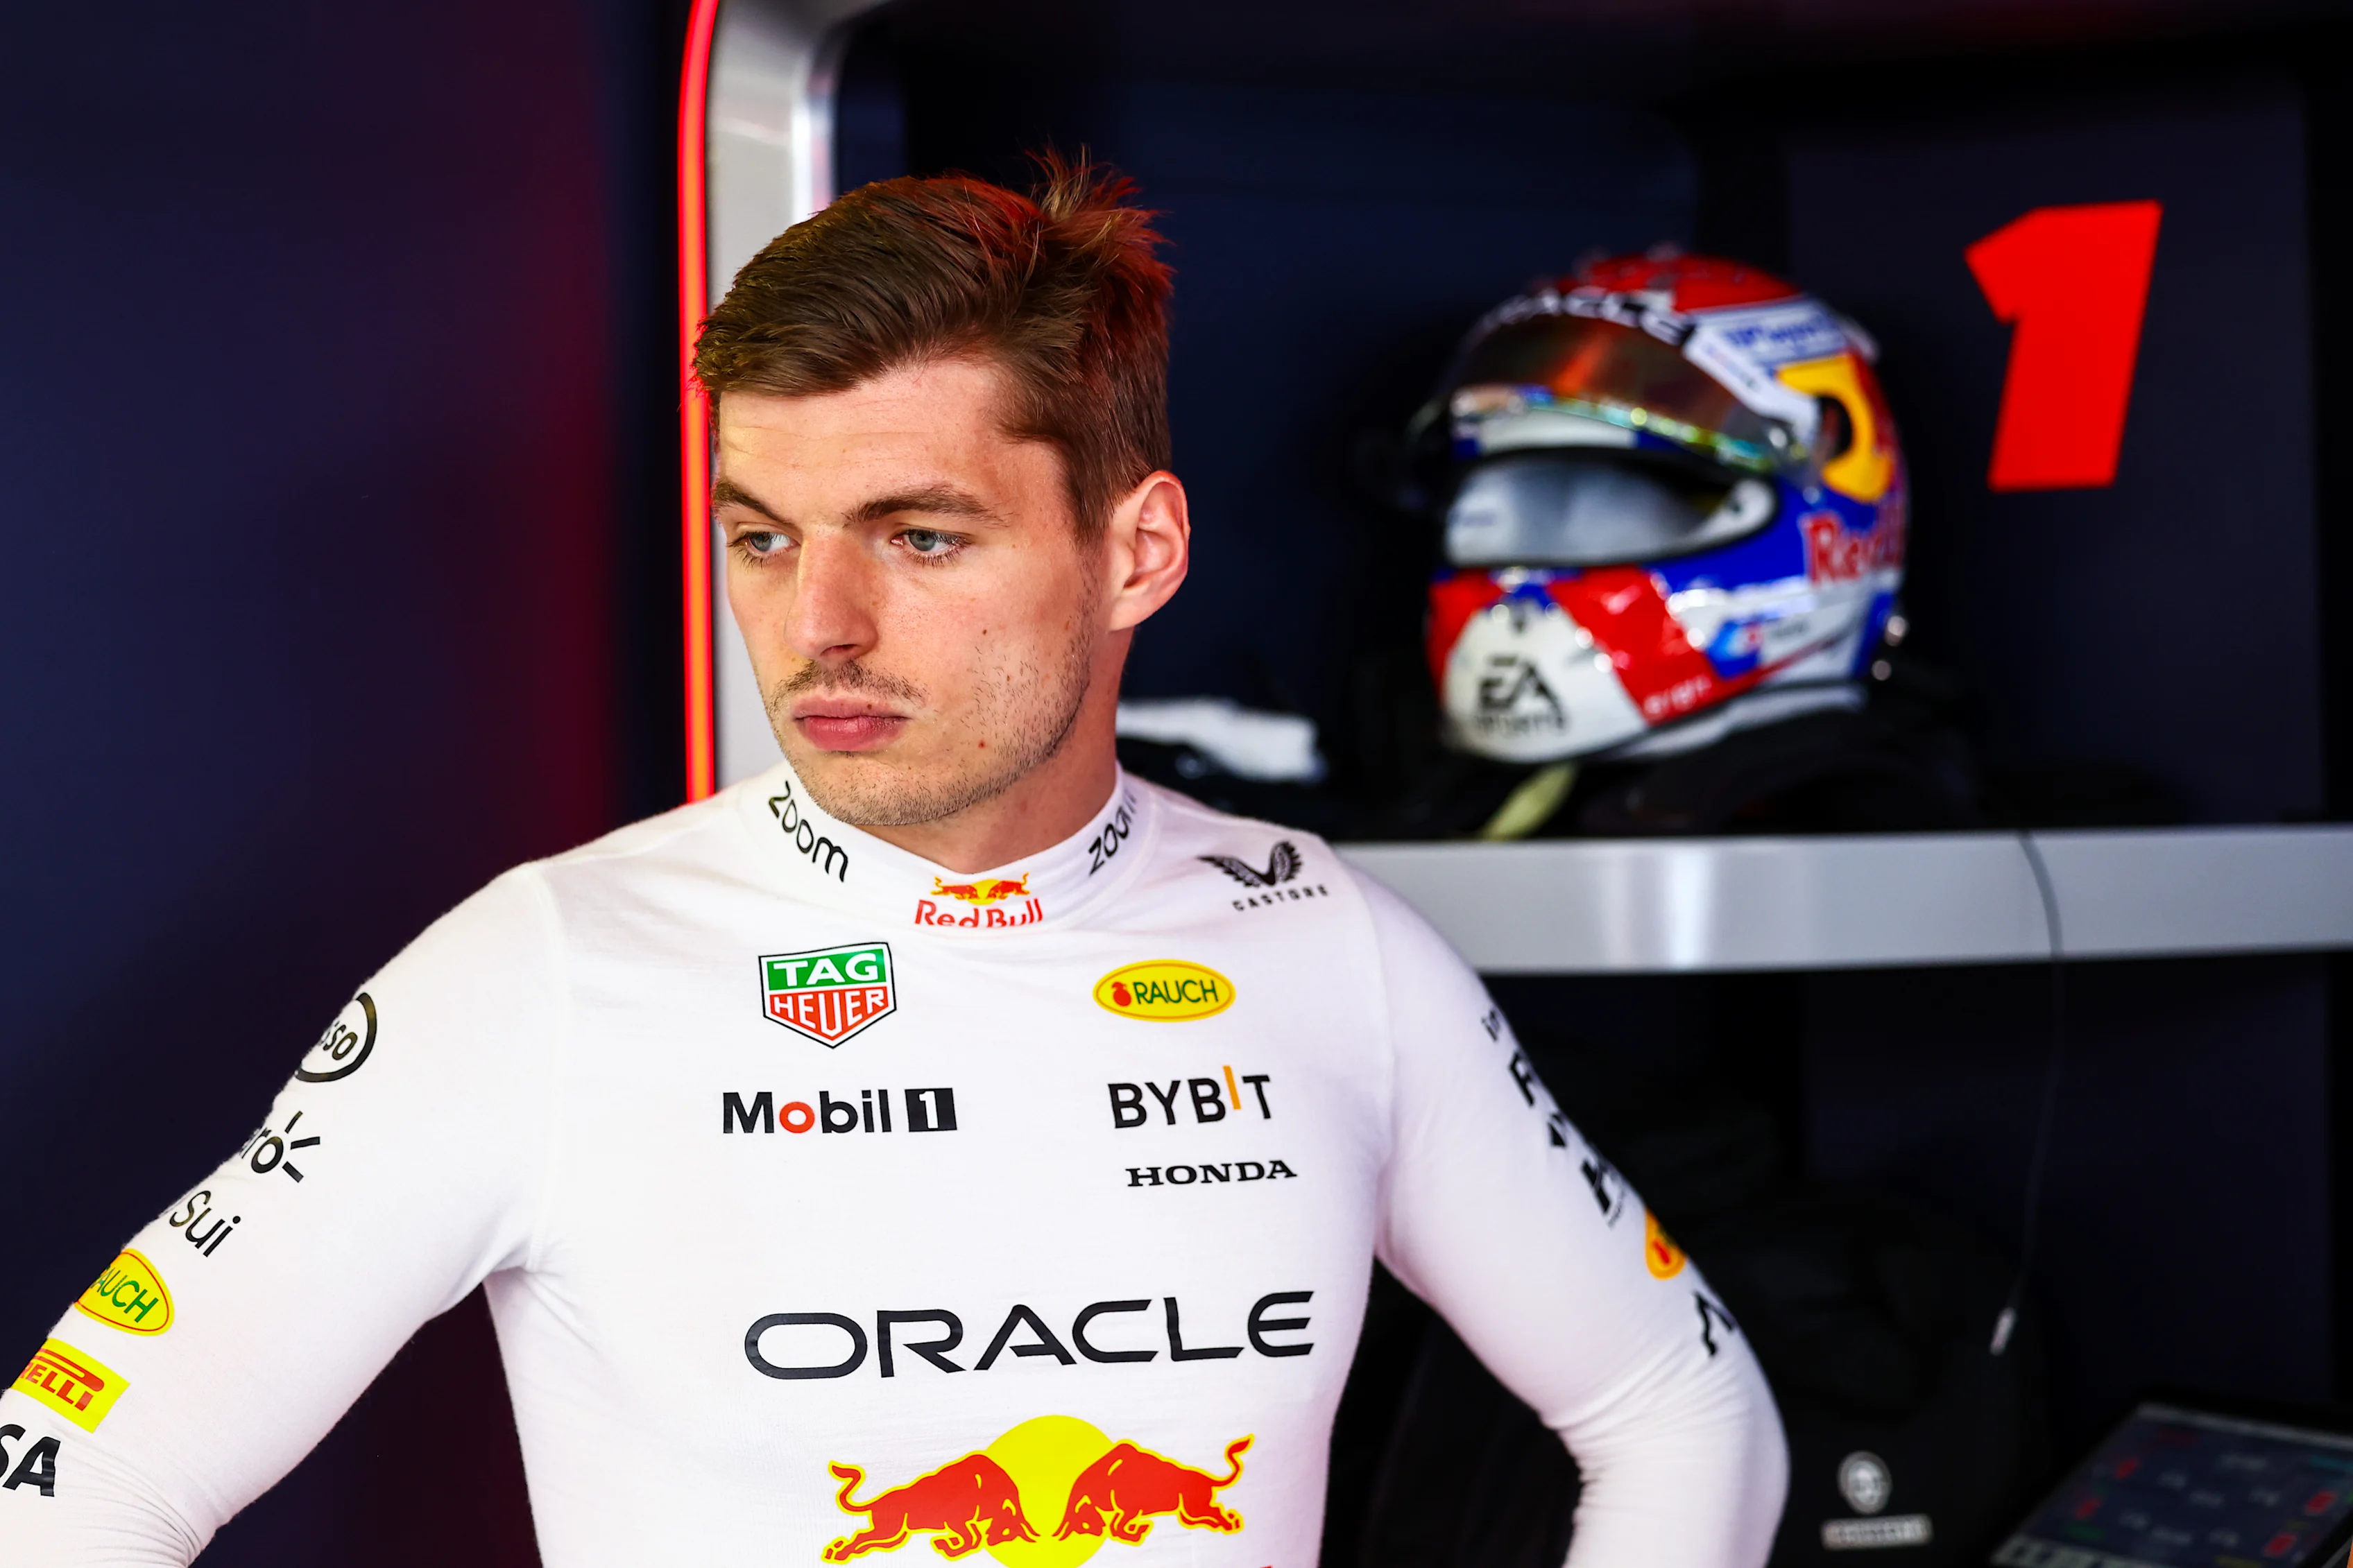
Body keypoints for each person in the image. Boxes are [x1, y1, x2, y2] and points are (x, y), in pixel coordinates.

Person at [0, 158, 1786, 1567]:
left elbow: (1684, 1412)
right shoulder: (543, 968)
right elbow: (68, 1479)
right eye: (762, 538)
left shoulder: (1328, 941)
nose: (819, 625)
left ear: (1136, 547)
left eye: (920, 535)